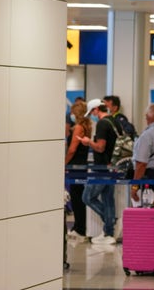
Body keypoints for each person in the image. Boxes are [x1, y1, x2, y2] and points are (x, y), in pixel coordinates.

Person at [77, 99, 121, 245]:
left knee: (87, 197)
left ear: (97, 109)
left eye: (93, 113)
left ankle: (110, 221)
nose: (93, 116)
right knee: (108, 199)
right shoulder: (114, 121)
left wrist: (88, 142)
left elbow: (101, 147)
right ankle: (108, 232)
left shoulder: (102, 123)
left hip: (102, 168)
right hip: (112, 166)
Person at [65, 101, 91, 242]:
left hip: (76, 166)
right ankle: (79, 226)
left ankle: (80, 228)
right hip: (81, 165)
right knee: (78, 197)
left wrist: (64, 163)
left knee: (77, 198)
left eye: (73, 112)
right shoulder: (86, 127)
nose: (71, 115)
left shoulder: (79, 128)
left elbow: (72, 149)